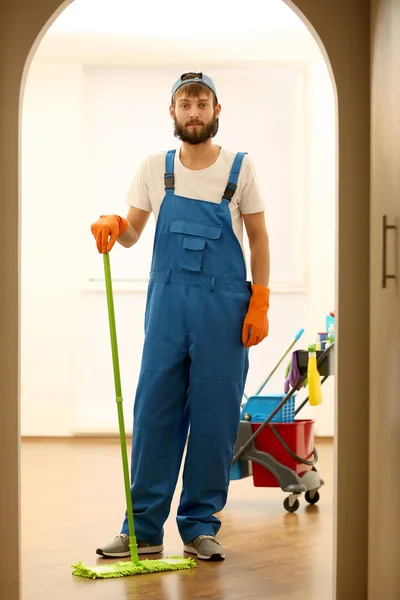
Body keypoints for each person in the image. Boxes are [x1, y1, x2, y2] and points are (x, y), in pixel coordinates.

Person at [91, 72, 271, 561]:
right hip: (169, 307)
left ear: (217, 111)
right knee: (154, 415)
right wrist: (114, 224)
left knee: (215, 420)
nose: (194, 111)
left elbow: (257, 236)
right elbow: (132, 232)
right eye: (185, 103)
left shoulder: (240, 168)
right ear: (172, 113)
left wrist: (261, 299)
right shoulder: (155, 168)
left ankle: (198, 527)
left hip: (225, 309)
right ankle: (143, 530)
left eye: (203, 103)